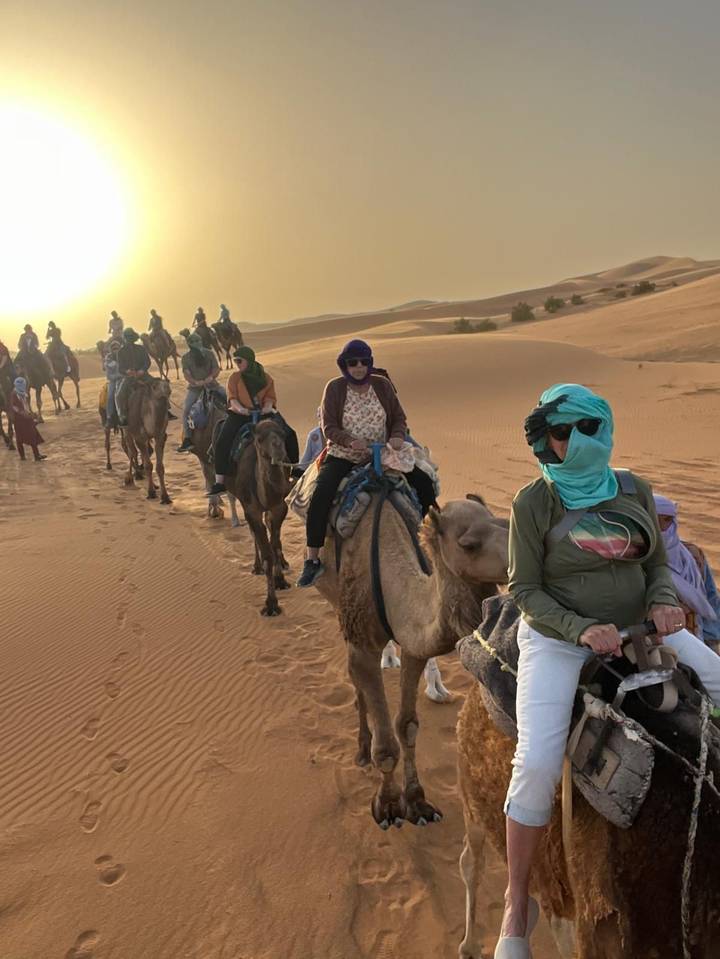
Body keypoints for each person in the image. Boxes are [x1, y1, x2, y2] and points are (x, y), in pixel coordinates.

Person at [494, 383, 720, 958]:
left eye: (569, 431)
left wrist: (665, 602)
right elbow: (524, 590)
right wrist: (578, 630)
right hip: (558, 637)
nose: (557, 443)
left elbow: (657, 568)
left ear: (597, 431)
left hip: (641, 629)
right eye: (552, 433)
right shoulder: (533, 503)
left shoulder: (633, 489)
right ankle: (516, 908)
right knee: (538, 763)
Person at [296, 339, 438, 588]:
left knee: (424, 484)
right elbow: (328, 426)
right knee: (322, 494)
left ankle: (435, 541)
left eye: (364, 362)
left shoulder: (381, 386)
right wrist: (349, 441)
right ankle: (313, 558)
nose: (359, 367)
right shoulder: (335, 388)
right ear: (345, 365)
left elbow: (398, 417)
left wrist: (396, 435)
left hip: (383, 452)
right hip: (344, 455)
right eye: (353, 362)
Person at [207, 346, 280, 494]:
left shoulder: (266, 378)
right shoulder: (234, 378)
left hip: (263, 414)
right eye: (235, 361)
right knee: (222, 441)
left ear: (249, 360)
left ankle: (294, 471)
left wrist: (267, 406)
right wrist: (241, 409)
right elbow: (232, 398)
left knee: (287, 432)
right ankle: (220, 481)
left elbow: (270, 397)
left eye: (239, 361)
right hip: (239, 414)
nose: (237, 364)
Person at [654, 494, 720, 649]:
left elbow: (710, 599)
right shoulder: (633, 560)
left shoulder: (692, 554)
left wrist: (712, 642)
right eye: (654, 519)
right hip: (657, 648)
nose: (661, 527)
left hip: (698, 640)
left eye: (666, 520)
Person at [177, 333, 225, 452]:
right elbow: (186, 372)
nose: (198, 343)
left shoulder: (209, 353)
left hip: (212, 385)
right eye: (195, 342)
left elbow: (216, 368)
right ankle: (187, 439)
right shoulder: (186, 358)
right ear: (190, 344)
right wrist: (194, 381)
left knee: (227, 399)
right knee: (186, 410)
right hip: (195, 388)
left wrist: (210, 377)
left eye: (198, 341)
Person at [115, 328, 152, 426]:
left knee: (160, 386)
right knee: (119, 395)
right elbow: (120, 368)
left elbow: (147, 362)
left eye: (131, 337)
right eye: (127, 337)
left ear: (133, 338)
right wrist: (127, 371)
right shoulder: (121, 352)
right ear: (125, 338)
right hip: (129, 377)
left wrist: (142, 370)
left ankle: (166, 410)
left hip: (143, 375)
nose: (129, 339)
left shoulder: (141, 349)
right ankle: (122, 415)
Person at [10, 377, 46, 461]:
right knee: (19, 438)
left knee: (32, 434)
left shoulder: (23, 393)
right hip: (18, 419)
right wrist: (22, 413)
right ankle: (22, 456)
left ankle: (37, 455)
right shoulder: (14, 394)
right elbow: (14, 406)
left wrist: (31, 413)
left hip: (27, 418)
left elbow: (26, 405)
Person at [296, 407, 324, 473]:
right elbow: (307, 455)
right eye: (319, 416)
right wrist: (299, 471)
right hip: (314, 468)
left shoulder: (337, 434)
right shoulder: (314, 434)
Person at [103, 339, 122, 426]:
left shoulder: (124, 356)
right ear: (111, 349)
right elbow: (109, 376)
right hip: (114, 381)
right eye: (114, 348)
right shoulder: (108, 359)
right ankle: (109, 417)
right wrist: (119, 376)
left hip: (126, 378)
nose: (116, 350)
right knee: (110, 396)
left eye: (117, 348)